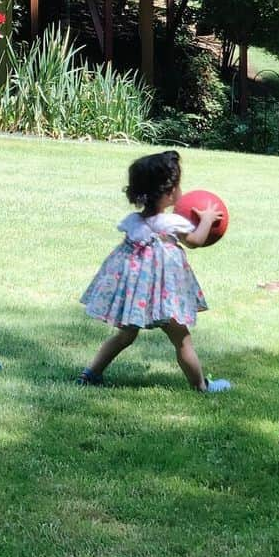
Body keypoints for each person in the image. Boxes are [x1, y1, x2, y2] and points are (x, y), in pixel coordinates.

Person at [77, 150, 230, 392]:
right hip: (163, 296)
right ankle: (201, 386)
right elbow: (196, 241)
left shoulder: (132, 222)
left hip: (137, 297)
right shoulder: (171, 223)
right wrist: (207, 220)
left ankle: (90, 374)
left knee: (125, 335)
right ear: (170, 193)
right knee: (181, 338)